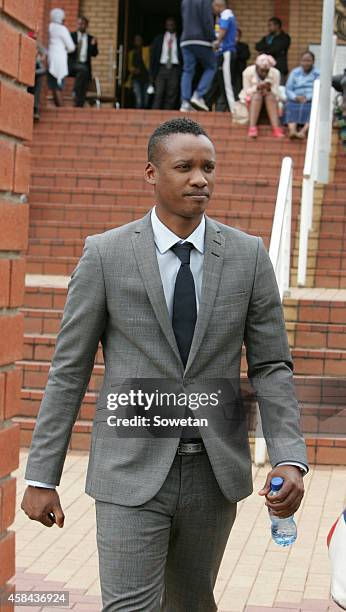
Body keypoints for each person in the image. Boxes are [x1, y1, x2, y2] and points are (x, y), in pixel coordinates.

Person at [21, 116, 308, 612]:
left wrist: (289, 455)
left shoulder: (248, 256)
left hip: (213, 475)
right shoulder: (105, 255)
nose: (200, 179)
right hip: (128, 471)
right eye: (185, 167)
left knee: (192, 604)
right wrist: (42, 476)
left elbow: (271, 367)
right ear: (152, 173)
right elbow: (70, 369)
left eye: (208, 168)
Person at [180, 0, 216, 112]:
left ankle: (185, 102)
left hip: (186, 40)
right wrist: (213, 38)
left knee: (187, 70)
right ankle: (198, 95)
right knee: (212, 66)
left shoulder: (185, 1)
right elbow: (207, 20)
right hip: (201, 39)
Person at [239, 54, 284, 138]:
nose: (264, 73)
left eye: (266, 71)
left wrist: (269, 89)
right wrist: (257, 88)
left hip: (270, 100)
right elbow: (246, 91)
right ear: (256, 66)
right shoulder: (247, 72)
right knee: (257, 96)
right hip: (252, 99)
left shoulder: (275, 73)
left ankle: (276, 128)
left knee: (270, 96)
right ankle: (252, 127)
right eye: (261, 70)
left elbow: (277, 92)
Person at [285, 51, 320, 140]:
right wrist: (295, 97)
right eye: (304, 60)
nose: (306, 63)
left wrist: (307, 98)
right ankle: (292, 131)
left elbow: (319, 88)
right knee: (289, 106)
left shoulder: (318, 73)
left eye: (308, 61)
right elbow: (288, 89)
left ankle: (303, 132)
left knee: (314, 108)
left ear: (313, 61)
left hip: (311, 99)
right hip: (296, 98)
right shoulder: (295, 72)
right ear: (300, 61)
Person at [149, 17, 182, 110]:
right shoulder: (159, 39)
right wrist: (151, 74)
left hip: (174, 69)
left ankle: (167, 120)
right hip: (161, 69)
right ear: (165, 26)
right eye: (168, 24)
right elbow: (153, 57)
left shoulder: (180, 39)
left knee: (171, 95)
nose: (170, 26)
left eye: (172, 24)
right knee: (158, 93)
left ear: (175, 26)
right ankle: (154, 117)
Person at [211, 0, 237, 113]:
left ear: (218, 6)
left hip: (227, 52)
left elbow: (223, 30)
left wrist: (217, 42)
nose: (213, 10)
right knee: (222, 82)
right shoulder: (222, 16)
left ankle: (233, 110)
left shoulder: (226, 13)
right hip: (222, 53)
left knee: (228, 83)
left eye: (213, 8)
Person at [47, 8, 75, 107]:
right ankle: (60, 108)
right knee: (58, 86)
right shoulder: (62, 29)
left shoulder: (50, 27)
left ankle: (58, 108)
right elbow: (71, 47)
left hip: (50, 57)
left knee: (54, 85)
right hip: (60, 59)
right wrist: (64, 51)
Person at [68, 15, 98, 108]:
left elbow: (95, 54)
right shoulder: (71, 36)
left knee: (84, 75)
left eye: (83, 24)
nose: (80, 26)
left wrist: (93, 45)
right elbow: (67, 51)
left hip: (85, 65)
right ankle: (75, 92)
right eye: (79, 24)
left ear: (87, 25)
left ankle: (79, 105)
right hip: (73, 64)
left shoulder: (91, 38)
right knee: (83, 71)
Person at [255, 17, 291, 83]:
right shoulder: (267, 37)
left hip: (279, 68)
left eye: (270, 25)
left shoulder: (285, 37)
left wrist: (265, 50)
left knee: (279, 89)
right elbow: (258, 46)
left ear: (277, 26)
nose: (268, 28)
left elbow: (276, 49)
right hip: (265, 69)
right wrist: (268, 48)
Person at [125, 34, 150, 109]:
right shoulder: (131, 53)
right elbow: (129, 66)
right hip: (136, 78)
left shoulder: (146, 50)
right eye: (136, 40)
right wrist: (134, 70)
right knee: (138, 100)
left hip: (146, 78)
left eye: (139, 39)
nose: (138, 41)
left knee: (146, 101)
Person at [27, 30, 47, 121]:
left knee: (38, 80)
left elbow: (43, 69)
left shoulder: (37, 56)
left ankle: (35, 109)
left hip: (34, 76)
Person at [231, 28, 250, 100]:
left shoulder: (243, 46)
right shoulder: (227, 46)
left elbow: (245, 56)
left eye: (237, 35)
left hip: (239, 72)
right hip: (228, 72)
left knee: (237, 91)